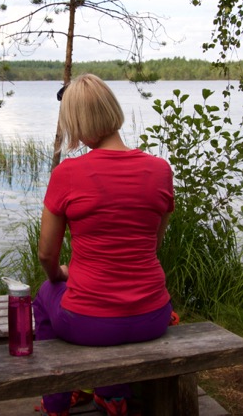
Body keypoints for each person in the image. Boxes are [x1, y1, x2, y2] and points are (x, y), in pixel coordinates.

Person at [34, 74, 175, 416]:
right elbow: (152, 244)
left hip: (88, 322)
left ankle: (55, 402)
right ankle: (112, 395)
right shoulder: (160, 170)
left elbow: (46, 254)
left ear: (79, 124)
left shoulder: (67, 174)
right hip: (154, 316)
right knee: (103, 304)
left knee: (43, 296)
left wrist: (59, 274)